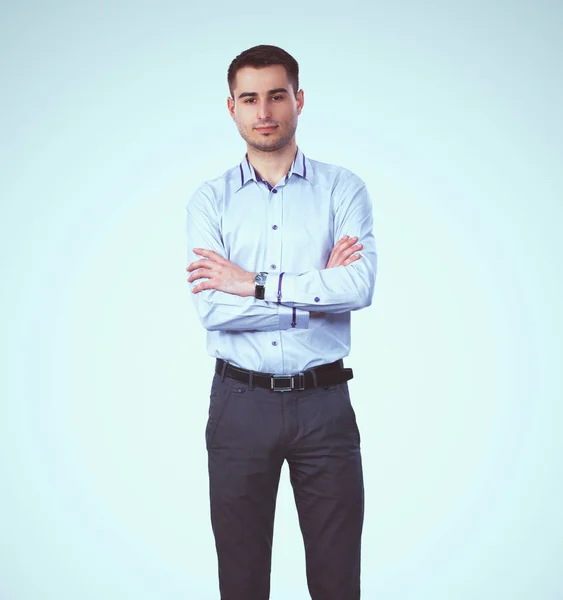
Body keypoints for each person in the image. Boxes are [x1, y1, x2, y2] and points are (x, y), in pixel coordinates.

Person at [185, 44, 377, 600]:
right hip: (240, 404)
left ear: (298, 99)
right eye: (250, 98)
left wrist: (253, 283)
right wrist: (318, 288)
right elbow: (213, 308)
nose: (264, 110)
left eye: (276, 95)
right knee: (241, 581)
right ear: (232, 108)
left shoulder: (343, 189)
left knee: (337, 579)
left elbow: (358, 287)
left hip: (324, 406)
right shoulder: (210, 201)